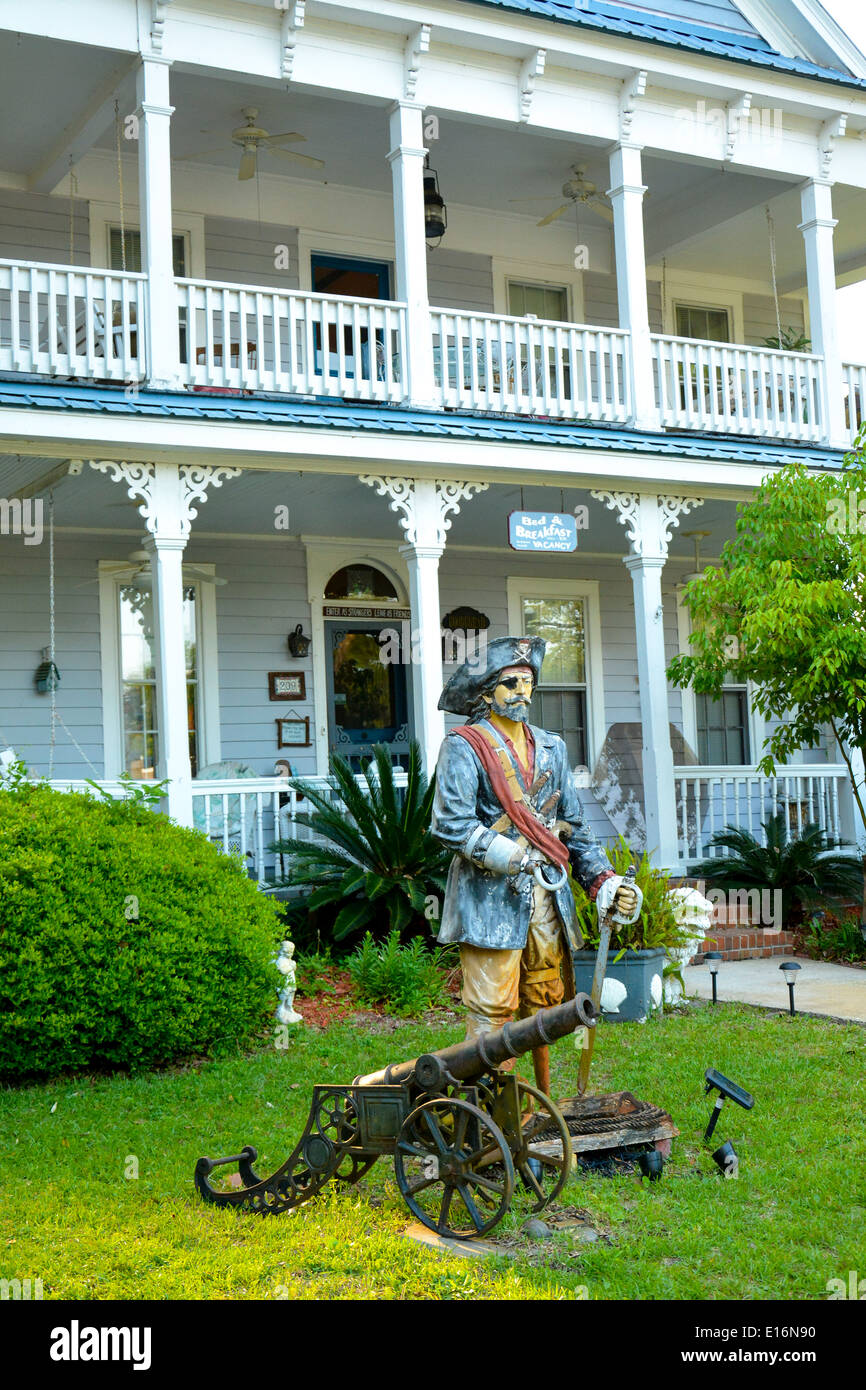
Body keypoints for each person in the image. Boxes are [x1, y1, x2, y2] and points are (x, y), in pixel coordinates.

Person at [430, 635, 638, 1083]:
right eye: (511, 682)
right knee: (493, 1010)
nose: (522, 691)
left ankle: (541, 1102)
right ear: (486, 692)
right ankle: (495, 1111)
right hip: (488, 901)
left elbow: (573, 825)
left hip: (545, 898)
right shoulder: (463, 746)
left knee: (544, 1000)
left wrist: (603, 880)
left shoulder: (552, 747)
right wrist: (509, 854)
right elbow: (450, 824)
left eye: (528, 681)